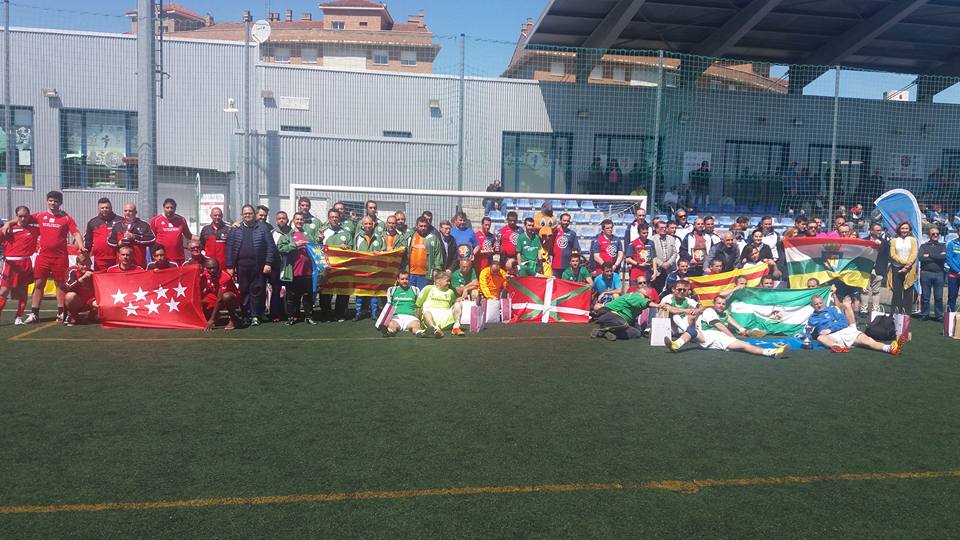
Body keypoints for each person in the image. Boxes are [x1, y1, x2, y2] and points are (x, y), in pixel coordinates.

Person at [26, 191, 86, 324]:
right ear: (47, 201)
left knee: (60, 285)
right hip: (43, 257)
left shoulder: (66, 218)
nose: (53, 203)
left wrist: (81, 246)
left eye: (56, 201)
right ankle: (34, 313)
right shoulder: (40, 215)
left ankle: (61, 313)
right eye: (51, 200)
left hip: (60, 257)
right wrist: (8, 224)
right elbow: (23, 218)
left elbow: (76, 233)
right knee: (39, 284)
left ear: (60, 203)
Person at [665, 296, 788, 358]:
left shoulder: (724, 313)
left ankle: (772, 352)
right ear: (714, 304)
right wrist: (733, 337)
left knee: (745, 346)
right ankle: (675, 345)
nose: (721, 305)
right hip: (707, 335)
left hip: (721, 339)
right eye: (718, 303)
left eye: (723, 304)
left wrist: (742, 330)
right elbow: (719, 326)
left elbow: (731, 321)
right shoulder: (709, 311)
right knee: (692, 331)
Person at [226, 204, 277, 327]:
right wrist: (230, 266)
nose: (247, 215)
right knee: (244, 291)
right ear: (242, 215)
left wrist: (268, 263)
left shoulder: (263, 228)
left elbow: (271, 247)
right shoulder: (235, 229)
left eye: (250, 213)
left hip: (258, 266)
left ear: (254, 215)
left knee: (257, 290)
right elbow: (229, 248)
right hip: (241, 266)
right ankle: (246, 316)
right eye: (245, 213)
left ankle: (255, 315)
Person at [808, 295, 904, 355]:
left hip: (847, 330)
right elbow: (816, 332)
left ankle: (889, 348)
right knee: (821, 338)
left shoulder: (833, 309)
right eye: (816, 304)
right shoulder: (812, 318)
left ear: (823, 302)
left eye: (820, 303)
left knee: (868, 341)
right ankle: (838, 347)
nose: (819, 305)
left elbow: (843, 322)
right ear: (812, 306)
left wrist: (830, 328)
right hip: (834, 337)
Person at [277, 212, 319, 325]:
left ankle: (308, 316)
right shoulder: (287, 235)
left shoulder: (309, 236)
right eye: (297, 219)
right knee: (291, 296)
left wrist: (319, 240)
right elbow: (281, 249)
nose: (299, 221)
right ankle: (292, 317)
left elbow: (317, 249)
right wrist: (295, 245)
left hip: (308, 271)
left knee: (307, 296)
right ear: (293, 220)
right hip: (293, 271)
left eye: (301, 219)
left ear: (304, 221)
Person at [0, 206, 39, 325]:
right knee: (3, 291)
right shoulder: (8, 229)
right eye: (20, 216)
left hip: (25, 263)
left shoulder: (34, 230)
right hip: (10, 264)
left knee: (23, 292)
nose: (23, 219)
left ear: (29, 216)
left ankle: (19, 317)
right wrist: (7, 224)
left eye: (25, 216)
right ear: (16, 216)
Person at [319, 208, 353, 322]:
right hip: (327, 267)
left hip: (342, 267)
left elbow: (352, 250)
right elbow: (317, 248)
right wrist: (319, 240)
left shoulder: (346, 233)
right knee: (325, 291)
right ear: (328, 218)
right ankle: (326, 314)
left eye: (336, 217)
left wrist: (347, 248)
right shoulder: (323, 232)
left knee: (342, 290)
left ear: (339, 218)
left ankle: (340, 313)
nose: (334, 219)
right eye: (332, 217)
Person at [353, 215, 387, 321]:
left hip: (374, 270)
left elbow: (385, 252)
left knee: (374, 292)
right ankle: (358, 313)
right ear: (362, 225)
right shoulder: (357, 237)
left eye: (370, 223)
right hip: (361, 269)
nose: (368, 225)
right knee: (359, 292)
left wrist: (380, 253)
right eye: (366, 224)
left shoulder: (379, 237)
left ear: (373, 224)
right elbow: (353, 253)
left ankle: (374, 313)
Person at [590, 290, 659, 341]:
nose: (649, 298)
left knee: (637, 333)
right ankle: (602, 330)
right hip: (608, 313)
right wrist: (658, 305)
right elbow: (645, 303)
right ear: (643, 294)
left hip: (615, 319)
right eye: (647, 297)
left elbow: (634, 322)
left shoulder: (636, 305)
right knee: (623, 324)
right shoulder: (635, 296)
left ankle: (607, 332)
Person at [107, 202, 155, 270]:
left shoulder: (143, 225)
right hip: (122, 265)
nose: (127, 213)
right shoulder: (117, 225)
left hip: (139, 263)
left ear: (135, 212)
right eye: (125, 211)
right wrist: (118, 243)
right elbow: (110, 242)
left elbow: (152, 239)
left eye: (130, 211)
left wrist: (134, 237)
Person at [416, 271, 464, 337]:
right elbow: (418, 305)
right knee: (426, 313)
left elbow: (453, 306)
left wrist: (458, 300)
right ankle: (434, 329)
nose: (449, 283)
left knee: (458, 304)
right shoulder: (428, 288)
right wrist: (418, 322)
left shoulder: (450, 292)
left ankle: (456, 328)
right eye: (447, 281)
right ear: (438, 281)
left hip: (445, 318)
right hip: (429, 318)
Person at [200, 258, 242, 331]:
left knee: (226, 297)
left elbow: (219, 299)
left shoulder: (225, 277)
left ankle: (233, 319)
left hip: (232, 298)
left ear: (219, 267)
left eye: (214, 268)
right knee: (201, 301)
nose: (212, 270)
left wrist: (211, 320)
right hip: (216, 295)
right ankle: (217, 316)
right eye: (209, 268)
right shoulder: (205, 273)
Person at [404, 216, 444, 290]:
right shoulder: (410, 237)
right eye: (421, 226)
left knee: (422, 295)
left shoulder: (433, 239)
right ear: (416, 226)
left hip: (425, 275)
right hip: (411, 274)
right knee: (411, 294)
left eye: (425, 226)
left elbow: (438, 256)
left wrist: (436, 269)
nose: (423, 228)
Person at [887, 221, 918, 315]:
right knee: (897, 291)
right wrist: (904, 263)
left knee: (908, 290)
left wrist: (908, 265)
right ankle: (895, 312)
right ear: (899, 229)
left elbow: (914, 253)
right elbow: (893, 254)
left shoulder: (913, 240)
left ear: (909, 230)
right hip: (897, 267)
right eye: (902, 228)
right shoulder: (894, 240)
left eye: (906, 228)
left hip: (910, 268)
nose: (904, 230)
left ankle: (906, 313)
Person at [266, 211, 291, 321]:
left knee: (290, 290)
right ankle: (275, 313)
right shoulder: (272, 233)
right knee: (276, 289)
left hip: (289, 265)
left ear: (287, 220)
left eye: (284, 218)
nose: (282, 220)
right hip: (276, 265)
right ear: (276, 221)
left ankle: (289, 312)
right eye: (279, 218)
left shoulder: (292, 232)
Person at [151, 198, 191, 266]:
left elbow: (189, 235)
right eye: (167, 207)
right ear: (163, 208)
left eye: (172, 208)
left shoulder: (181, 220)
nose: (169, 210)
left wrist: (201, 238)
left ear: (175, 208)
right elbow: (152, 238)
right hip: (162, 258)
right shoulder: (155, 220)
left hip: (178, 257)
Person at [382, 272, 424, 337]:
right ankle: (389, 332)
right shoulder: (392, 290)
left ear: (409, 279)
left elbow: (419, 305)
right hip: (396, 317)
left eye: (406, 279)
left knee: (416, 325)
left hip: (411, 317)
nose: (404, 281)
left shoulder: (415, 290)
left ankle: (420, 333)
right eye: (402, 279)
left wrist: (419, 318)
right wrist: (385, 322)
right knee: (392, 325)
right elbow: (389, 305)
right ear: (398, 280)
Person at [84, 197, 120, 271]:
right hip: (99, 259)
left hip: (117, 257)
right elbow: (88, 241)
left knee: (116, 277)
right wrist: (86, 255)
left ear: (111, 208)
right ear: (99, 209)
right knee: (100, 277)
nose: (104, 210)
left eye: (107, 207)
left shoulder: (120, 221)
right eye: (102, 208)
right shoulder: (92, 222)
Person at [918, 227, 946, 321]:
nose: (935, 235)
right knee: (925, 297)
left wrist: (929, 255)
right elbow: (921, 258)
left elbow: (943, 257)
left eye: (937, 234)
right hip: (926, 273)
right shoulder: (923, 246)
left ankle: (939, 316)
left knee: (938, 297)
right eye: (933, 234)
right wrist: (937, 255)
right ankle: (925, 314)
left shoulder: (943, 246)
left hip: (939, 274)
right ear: (929, 235)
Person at [861, 222, 889, 314]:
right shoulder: (864, 241)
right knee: (864, 290)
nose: (879, 232)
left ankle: (875, 309)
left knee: (876, 291)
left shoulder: (884, 243)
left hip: (877, 270)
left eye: (880, 230)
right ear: (871, 231)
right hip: (865, 270)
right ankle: (864, 309)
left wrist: (880, 246)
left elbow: (886, 258)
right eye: (877, 230)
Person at [63, 252, 96, 326]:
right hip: (77, 301)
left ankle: (91, 316)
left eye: (87, 264)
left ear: (91, 264)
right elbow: (68, 287)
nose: (85, 266)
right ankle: (73, 315)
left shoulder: (93, 273)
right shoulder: (72, 271)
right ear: (77, 264)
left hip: (89, 301)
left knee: (99, 304)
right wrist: (82, 278)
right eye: (82, 264)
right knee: (70, 296)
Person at [650, 220, 678, 292]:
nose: (664, 229)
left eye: (665, 227)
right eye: (661, 228)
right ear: (656, 229)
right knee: (656, 290)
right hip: (657, 270)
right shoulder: (651, 240)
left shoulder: (671, 238)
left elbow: (675, 253)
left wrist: (669, 263)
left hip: (669, 269)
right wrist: (661, 264)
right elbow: (651, 254)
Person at [946, 231, 960, 313]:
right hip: (953, 276)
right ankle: (950, 316)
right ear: (958, 232)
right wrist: (958, 271)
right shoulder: (951, 244)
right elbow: (949, 260)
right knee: (952, 296)